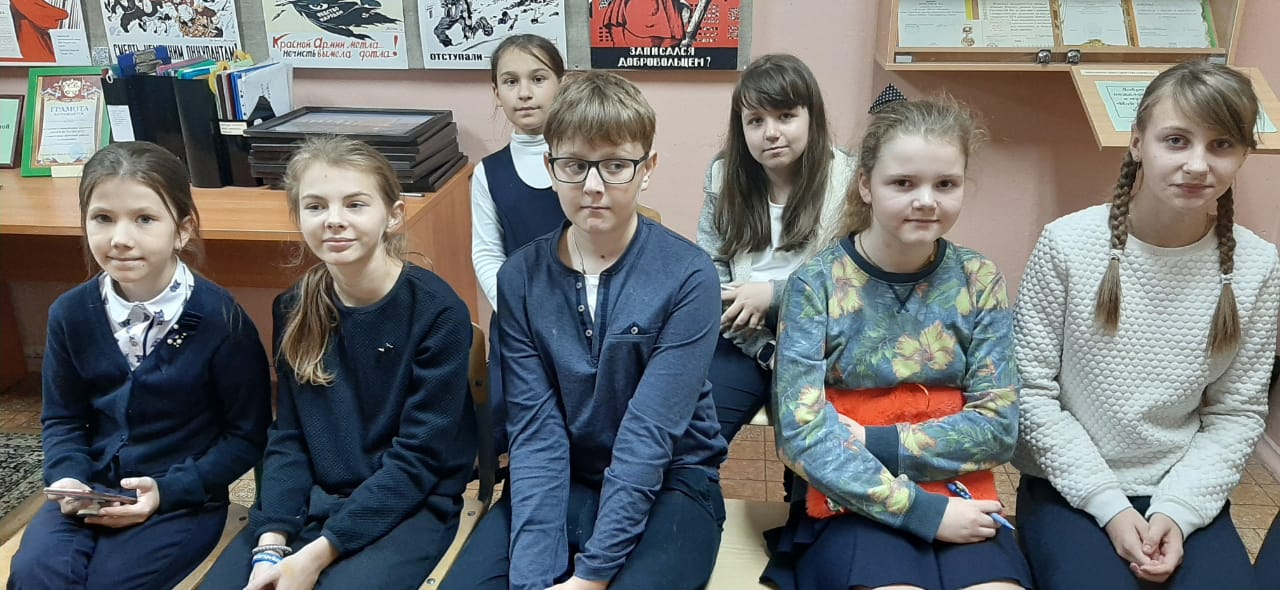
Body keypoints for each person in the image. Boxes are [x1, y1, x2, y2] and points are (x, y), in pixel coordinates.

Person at [440, 70, 727, 590]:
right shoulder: (520, 278)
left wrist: (590, 577)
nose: (593, 187)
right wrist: (533, 580)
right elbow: (536, 432)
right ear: (551, 168)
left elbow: (649, 434)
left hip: (671, 477)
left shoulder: (688, 276)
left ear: (647, 169)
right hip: (562, 473)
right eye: (574, 165)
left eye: (615, 165)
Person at [1012, 60, 1278, 590]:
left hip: (1183, 487)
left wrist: (1178, 511)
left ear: (1243, 155)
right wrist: (1109, 507)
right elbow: (1031, 393)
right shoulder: (1067, 244)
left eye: (1221, 145)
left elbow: (1236, 411)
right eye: (1176, 141)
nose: (1197, 165)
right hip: (1068, 485)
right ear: (1137, 142)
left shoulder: (1259, 265)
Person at [763, 92, 1030, 590]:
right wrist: (923, 512)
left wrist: (874, 440)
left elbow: (999, 428)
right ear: (865, 185)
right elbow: (802, 437)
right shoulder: (815, 286)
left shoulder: (979, 278)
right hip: (852, 497)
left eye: (945, 184)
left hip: (961, 493)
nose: (926, 200)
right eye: (903, 183)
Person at [200, 136, 477, 590]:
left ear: (393, 215)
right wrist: (272, 541)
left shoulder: (436, 312)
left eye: (355, 204)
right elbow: (290, 438)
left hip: (408, 502)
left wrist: (316, 555)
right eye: (315, 206)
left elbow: (419, 460)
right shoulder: (293, 307)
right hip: (314, 498)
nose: (334, 220)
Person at [8, 141, 272, 589]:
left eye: (145, 219)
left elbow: (247, 436)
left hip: (181, 498)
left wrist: (168, 491)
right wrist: (68, 476)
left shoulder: (221, 320)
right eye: (103, 218)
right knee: (35, 575)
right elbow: (63, 418)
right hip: (90, 489)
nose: (121, 238)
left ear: (183, 230)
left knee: (110, 584)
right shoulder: (70, 313)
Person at [697, 53, 854, 443]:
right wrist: (765, 350)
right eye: (755, 120)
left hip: (823, 340)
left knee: (817, 449)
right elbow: (712, 273)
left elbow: (851, 281)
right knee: (696, 437)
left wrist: (774, 294)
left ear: (812, 117)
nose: (770, 133)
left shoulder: (848, 178)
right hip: (742, 333)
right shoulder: (723, 176)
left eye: (785, 116)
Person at [471, 33, 566, 451]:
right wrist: (517, 309)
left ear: (561, 83)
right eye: (511, 82)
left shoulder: (584, 160)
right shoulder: (488, 173)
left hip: (584, 317)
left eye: (538, 79)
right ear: (496, 91)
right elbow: (486, 252)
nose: (524, 93)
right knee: (505, 411)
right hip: (518, 320)